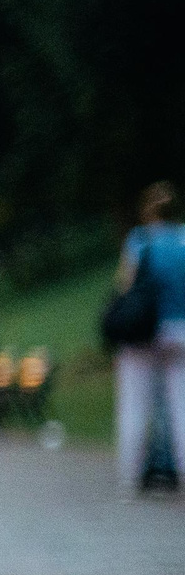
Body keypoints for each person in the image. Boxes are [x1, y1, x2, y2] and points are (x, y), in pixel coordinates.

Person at [113, 181, 185, 497]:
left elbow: (125, 286)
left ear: (147, 211)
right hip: (180, 331)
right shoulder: (184, 240)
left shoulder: (139, 241)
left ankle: (132, 475)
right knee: (181, 404)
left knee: (135, 404)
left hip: (142, 334)